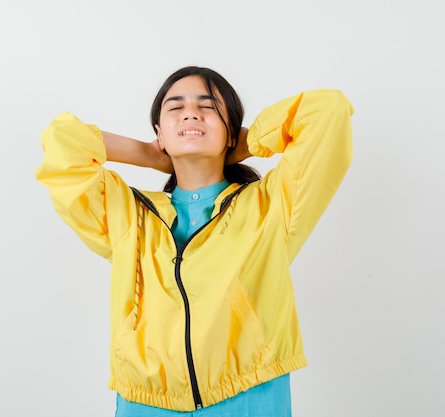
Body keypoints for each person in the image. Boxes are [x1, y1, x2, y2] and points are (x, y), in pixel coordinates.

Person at [35, 66, 353, 416]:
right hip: (146, 402)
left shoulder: (271, 207)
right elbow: (63, 143)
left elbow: (328, 111)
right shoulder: (129, 216)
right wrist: (150, 154)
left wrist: (241, 145)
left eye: (208, 106)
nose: (191, 112)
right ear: (159, 132)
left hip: (250, 395)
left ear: (231, 130)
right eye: (175, 107)